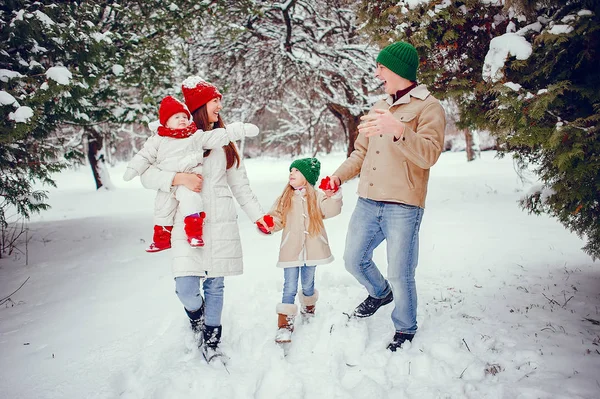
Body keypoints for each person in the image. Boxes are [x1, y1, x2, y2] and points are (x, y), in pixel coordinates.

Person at [324, 41, 446, 351]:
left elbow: (429, 155)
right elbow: (360, 152)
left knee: (400, 273)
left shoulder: (429, 107)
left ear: (399, 70)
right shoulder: (378, 106)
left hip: (403, 205)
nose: (378, 73)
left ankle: (405, 328)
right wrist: (338, 176)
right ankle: (379, 293)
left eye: (382, 67)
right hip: (368, 201)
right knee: (353, 259)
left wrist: (399, 130)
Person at [139, 76, 270, 363]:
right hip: (187, 222)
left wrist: (258, 216)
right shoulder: (172, 138)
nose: (220, 105)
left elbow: (240, 185)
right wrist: (177, 178)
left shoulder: (224, 142)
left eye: (219, 100)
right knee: (185, 287)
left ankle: (212, 338)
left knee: (215, 284)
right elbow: (146, 175)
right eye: (215, 100)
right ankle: (196, 316)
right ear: (199, 106)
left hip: (220, 221)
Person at [123, 95, 259, 252]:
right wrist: (133, 169)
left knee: (191, 202)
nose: (181, 120)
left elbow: (218, 136)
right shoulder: (159, 139)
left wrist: (240, 129)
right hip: (170, 186)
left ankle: (194, 233)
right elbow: (144, 158)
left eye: (184, 116)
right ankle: (161, 239)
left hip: (201, 201)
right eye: (176, 117)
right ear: (166, 122)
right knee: (162, 208)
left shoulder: (194, 136)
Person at [261, 158, 342, 344]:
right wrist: (268, 224)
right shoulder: (285, 198)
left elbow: (331, 210)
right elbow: (277, 218)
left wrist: (334, 195)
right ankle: (285, 325)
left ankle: (308, 309)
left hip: (313, 250)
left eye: (297, 171)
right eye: (291, 170)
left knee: (307, 284)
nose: (292, 173)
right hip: (291, 250)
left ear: (307, 177)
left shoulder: (318, 197)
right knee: (289, 287)